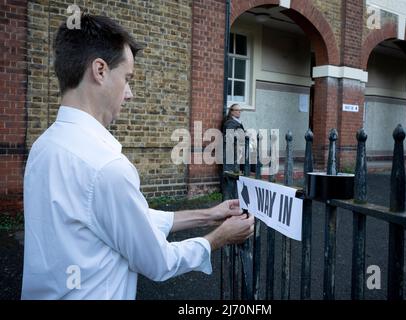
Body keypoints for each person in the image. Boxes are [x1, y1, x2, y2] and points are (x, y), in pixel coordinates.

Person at [21, 14, 254, 300]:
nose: (129, 93)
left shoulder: (44, 146)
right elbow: (158, 262)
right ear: (100, 70)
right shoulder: (106, 167)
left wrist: (209, 214)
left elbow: (126, 219)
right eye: (127, 78)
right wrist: (218, 237)